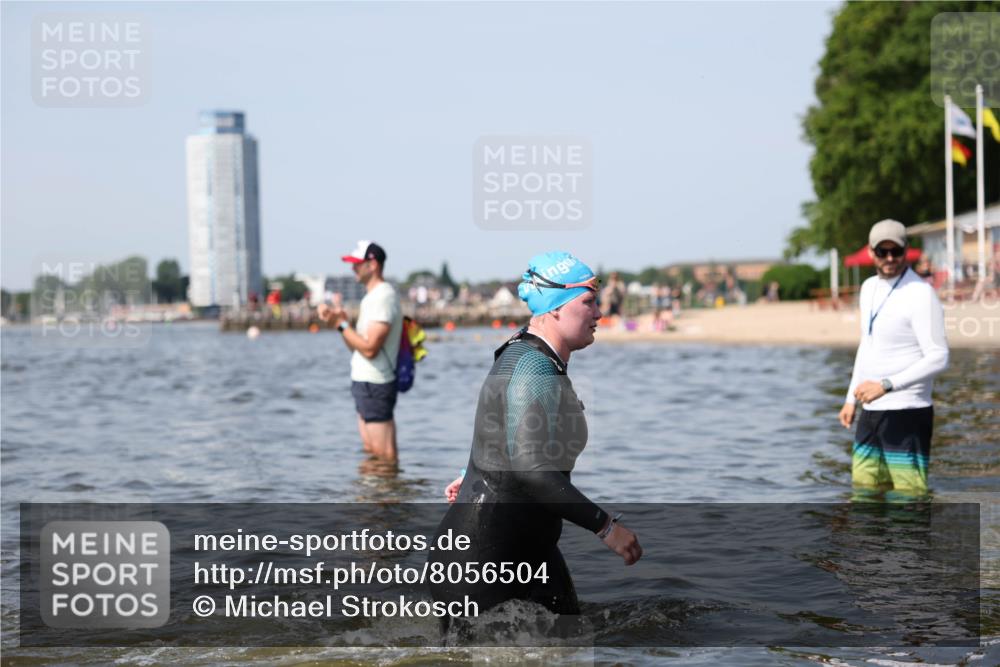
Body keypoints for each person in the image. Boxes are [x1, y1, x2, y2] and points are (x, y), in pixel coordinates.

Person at [431, 251, 642, 624]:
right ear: (557, 307)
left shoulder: (530, 355)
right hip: (483, 562)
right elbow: (531, 469)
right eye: (589, 302)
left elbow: (500, 426)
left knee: (576, 644)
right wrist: (606, 527)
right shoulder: (534, 368)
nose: (599, 314)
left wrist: (476, 472)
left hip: (523, 549)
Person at [838, 220, 949, 498]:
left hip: (908, 410)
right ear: (872, 253)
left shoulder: (921, 293)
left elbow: (939, 357)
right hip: (871, 411)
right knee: (864, 494)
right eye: (882, 251)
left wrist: (886, 385)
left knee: (908, 501)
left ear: (906, 251)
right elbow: (868, 344)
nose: (889, 258)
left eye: (896, 251)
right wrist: (851, 398)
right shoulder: (867, 288)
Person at [318, 241, 403, 462]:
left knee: (383, 456)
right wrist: (341, 323)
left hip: (376, 383)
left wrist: (342, 324)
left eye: (357, 263)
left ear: (372, 264)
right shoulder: (371, 297)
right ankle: (377, 494)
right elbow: (358, 348)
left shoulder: (383, 296)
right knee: (372, 453)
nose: (352, 268)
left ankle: (388, 495)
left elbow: (370, 348)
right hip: (366, 383)